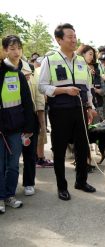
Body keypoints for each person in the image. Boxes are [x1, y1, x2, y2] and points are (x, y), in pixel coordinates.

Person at [38, 23, 97, 201]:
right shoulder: (50, 59)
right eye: (70, 37)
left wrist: (90, 107)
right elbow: (42, 86)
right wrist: (63, 90)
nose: (74, 40)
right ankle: (62, 187)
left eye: (75, 36)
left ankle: (81, 181)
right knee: (60, 150)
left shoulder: (81, 61)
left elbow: (87, 87)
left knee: (82, 147)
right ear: (59, 39)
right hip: (60, 112)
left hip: (79, 110)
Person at [0, 35, 34, 213]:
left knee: (13, 164)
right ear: (5, 50)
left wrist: (29, 127)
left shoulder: (19, 74)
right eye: (12, 48)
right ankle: (0, 197)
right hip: (1, 129)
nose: (16, 51)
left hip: (16, 128)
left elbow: (27, 103)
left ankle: (9, 195)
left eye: (19, 48)